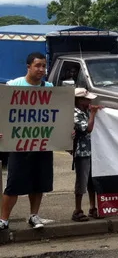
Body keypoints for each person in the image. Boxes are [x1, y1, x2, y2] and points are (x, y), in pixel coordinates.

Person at [0, 52, 54, 231]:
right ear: (28, 67)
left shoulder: (49, 87)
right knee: (14, 183)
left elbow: (56, 114)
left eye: (44, 66)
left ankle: (33, 215)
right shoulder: (14, 85)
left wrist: (64, 130)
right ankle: (4, 219)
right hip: (19, 144)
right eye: (38, 65)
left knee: (39, 182)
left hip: (42, 143)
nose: (41, 69)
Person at [72, 88, 102, 222]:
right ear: (79, 100)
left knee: (92, 181)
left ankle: (93, 207)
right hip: (82, 151)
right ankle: (77, 210)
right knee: (82, 181)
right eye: (87, 99)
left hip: (93, 150)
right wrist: (93, 114)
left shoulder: (87, 111)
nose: (90, 101)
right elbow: (87, 128)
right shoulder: (75, 113)